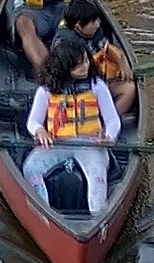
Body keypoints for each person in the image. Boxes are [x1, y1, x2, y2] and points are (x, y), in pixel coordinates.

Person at [22, 42, 120, 215]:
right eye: (78, 64)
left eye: (85, 61)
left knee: (97, 175)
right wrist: (40, 130)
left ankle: (98, 217)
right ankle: (44, 213)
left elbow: (112, 119)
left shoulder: (97, 86)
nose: (86, 66)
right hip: (58, 144)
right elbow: (33, 121)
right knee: (31, 168)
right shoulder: (47, 90)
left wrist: (109, 136)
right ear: (64, 68)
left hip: (90, 144)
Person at [54, 0, 136, 115]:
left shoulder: (93, 31)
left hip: (96, 80)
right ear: (78, 25)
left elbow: (106, 48)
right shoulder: (66, 44)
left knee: (129, 89)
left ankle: (108, 120)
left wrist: (122, 62)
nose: (98, 24)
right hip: (75, 89)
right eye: (94, 21)